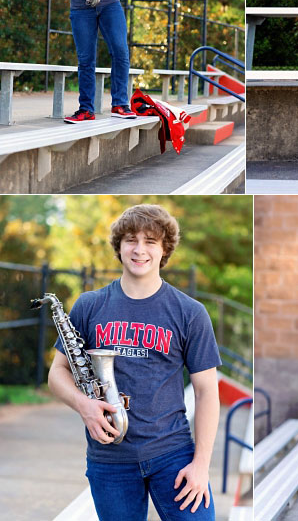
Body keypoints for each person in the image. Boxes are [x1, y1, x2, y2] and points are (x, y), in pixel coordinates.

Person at [47, 204, 221, 521]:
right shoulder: (89, 304)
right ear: (119, 246)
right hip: (109, 459)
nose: (139, 249)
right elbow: (57, 372)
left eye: (150, 241)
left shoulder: (190, 312)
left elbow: (207, 392)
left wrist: (201, 465)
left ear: (164, 249)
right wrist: (82, 405)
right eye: (131, 239)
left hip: (174, 455)